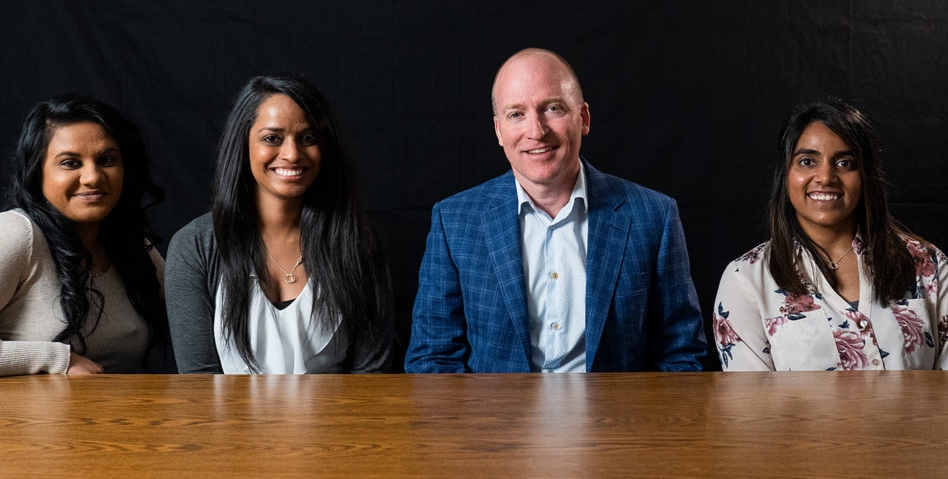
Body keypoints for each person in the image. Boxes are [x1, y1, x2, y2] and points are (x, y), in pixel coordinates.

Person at [405, 48, 707, 373]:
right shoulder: (454, 222)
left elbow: (682, 355)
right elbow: (432, 359)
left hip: (615, 421)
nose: (536, 130)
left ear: (584, 118)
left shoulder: (654, 216)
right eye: (516, 114)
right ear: (498, 130)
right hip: (494, 421)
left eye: (552, 108)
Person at [165, 74, 392, 374]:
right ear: (243, 144)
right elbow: (198, 382)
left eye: (309, 139)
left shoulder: (358, 244)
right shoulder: (195, 246)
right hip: (226, 421)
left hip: (339, 421)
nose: (292, 154)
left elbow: (372, 379)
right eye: (272, 138)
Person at [714, 100, 948, 371]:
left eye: (844, 163)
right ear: (786, 175)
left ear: (865, 176)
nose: (825, 176)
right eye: (807, 161)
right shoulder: (746, 280)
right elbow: (751, 403)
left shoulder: (927, 264)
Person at [0, 94, 170, 379]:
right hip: (12, 422)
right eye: (70, 163)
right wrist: (52, 358)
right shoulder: (16, 236)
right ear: (37, 172)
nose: (93, 177)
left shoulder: (135, 249)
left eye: (107, 160)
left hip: (115, 420)